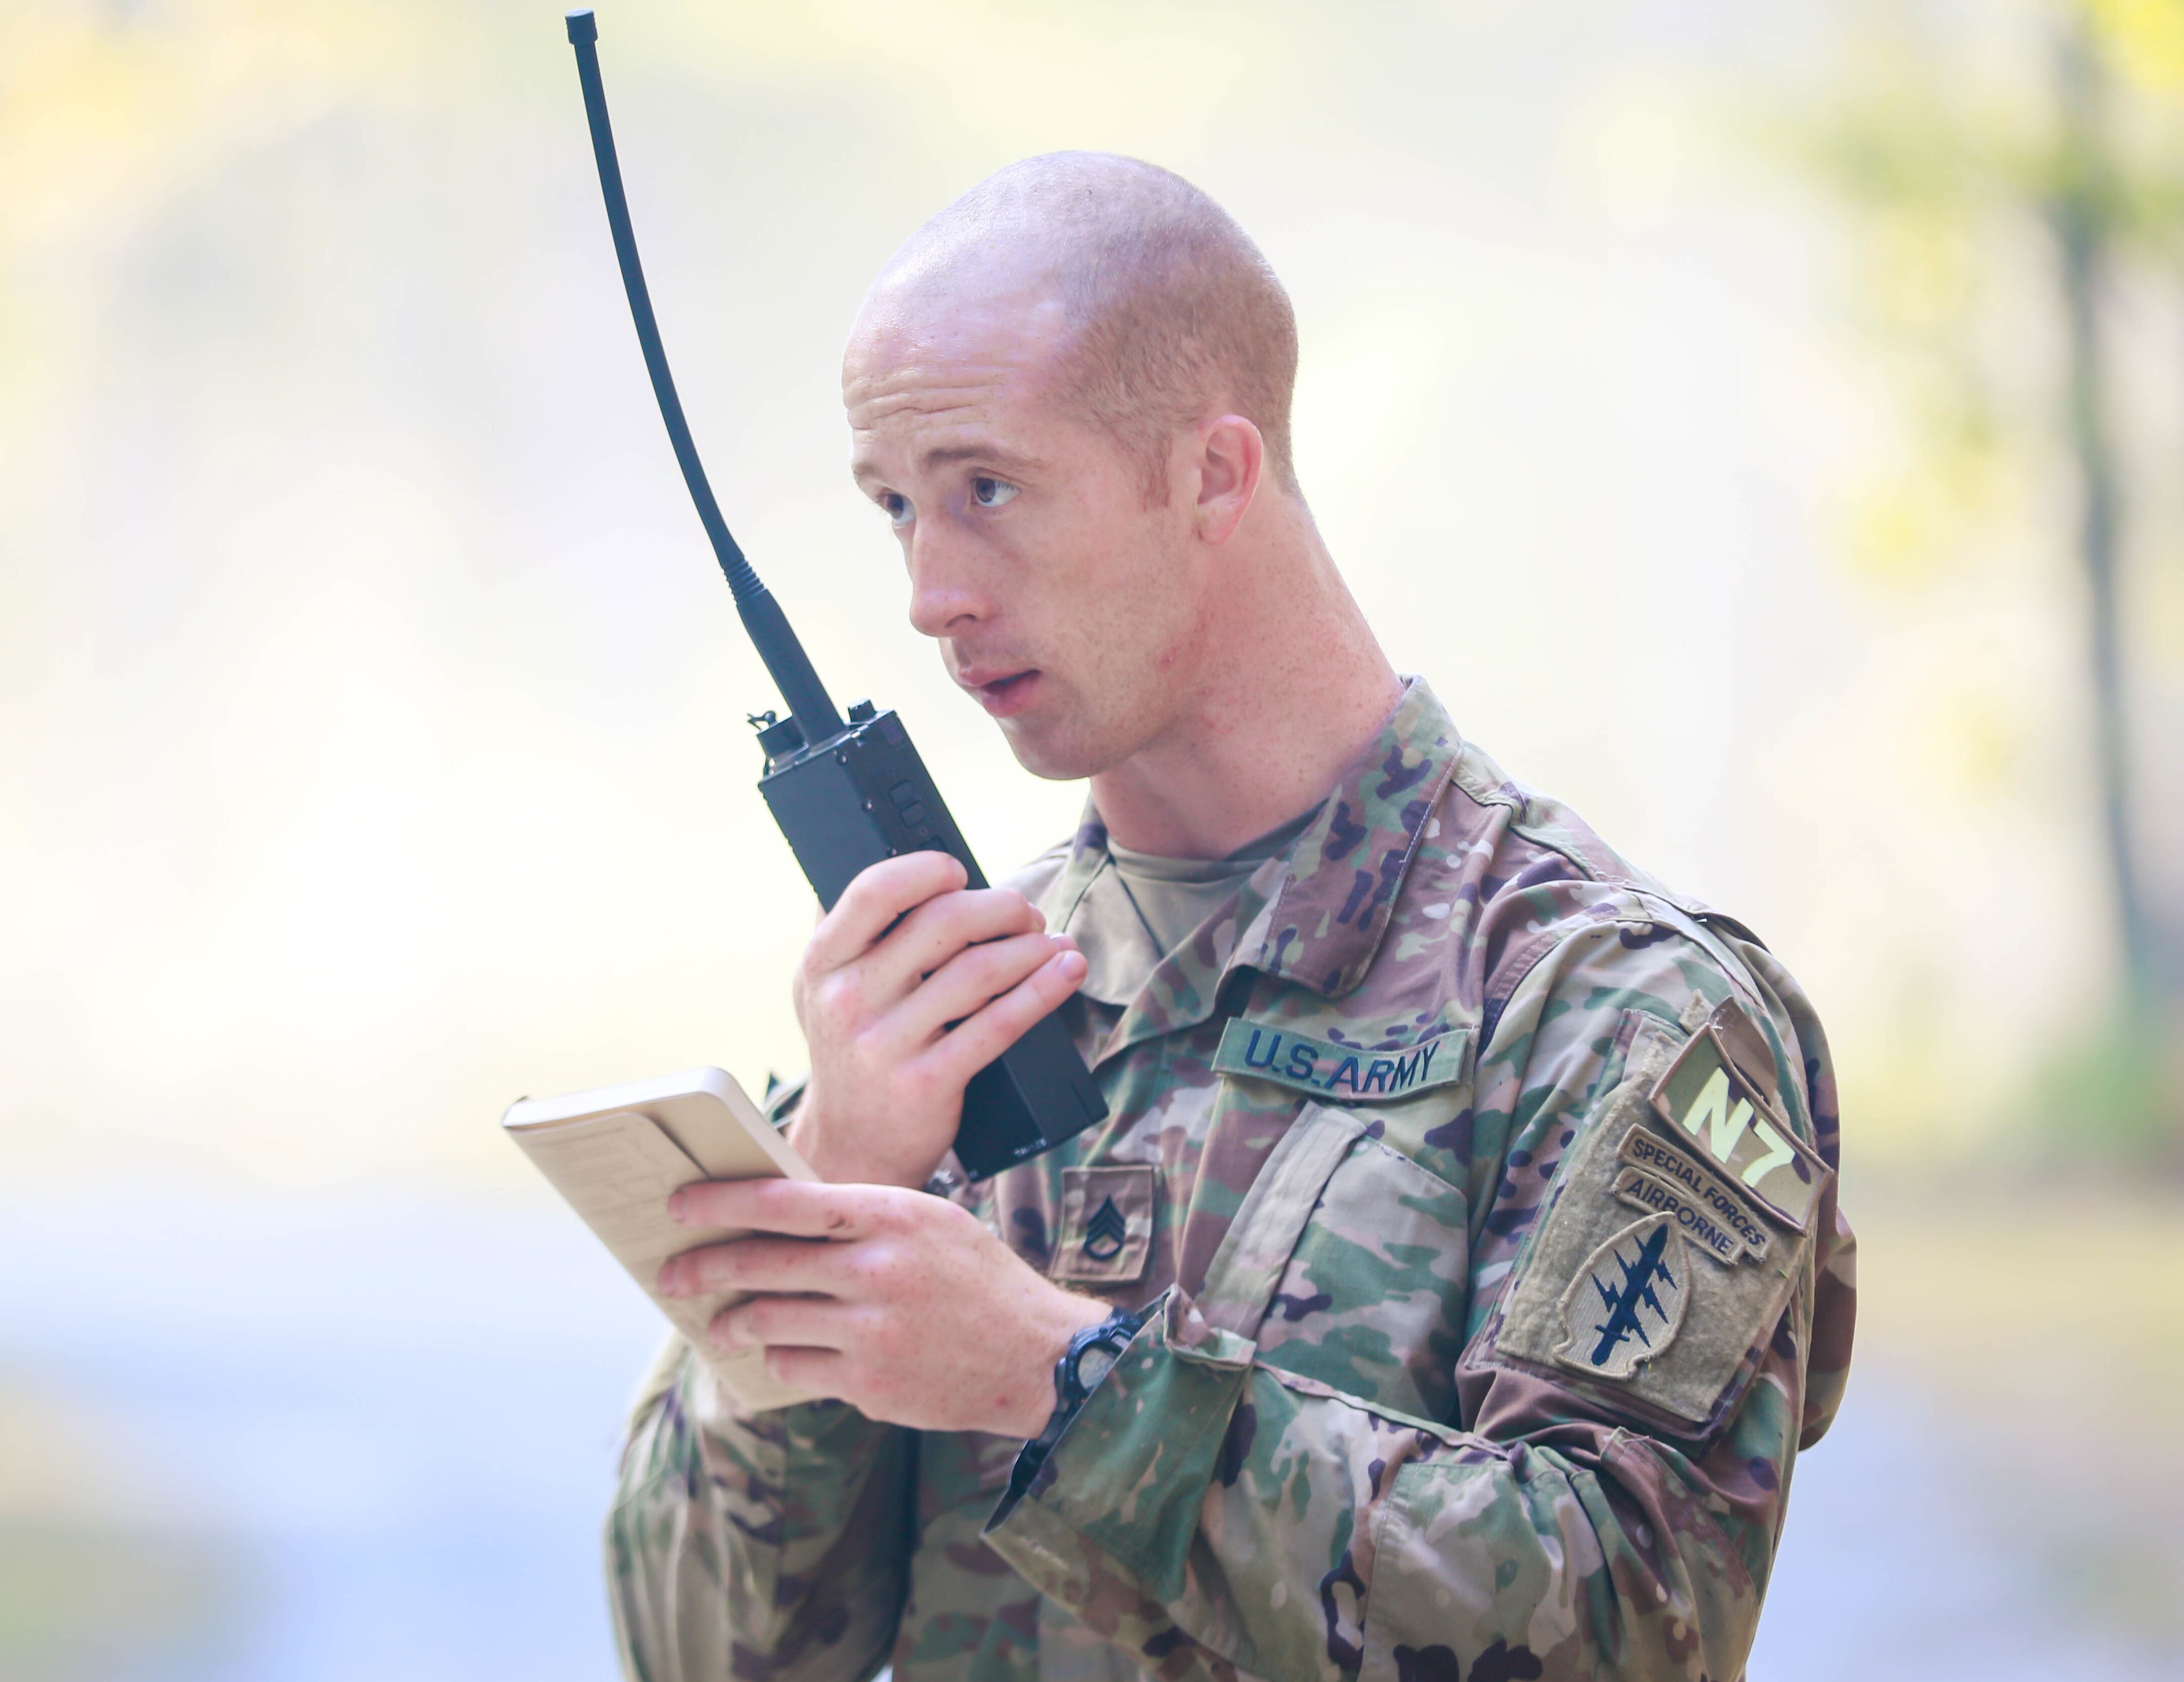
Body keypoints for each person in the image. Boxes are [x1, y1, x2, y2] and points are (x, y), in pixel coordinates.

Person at [605, 151, 1857, 1682]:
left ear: (1212, 473)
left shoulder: (1610, 1006)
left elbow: (1632, 1631)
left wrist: (1062, 1382)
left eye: (988, 488)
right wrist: (824, 1202)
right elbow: (693, 1655)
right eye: (895, 509)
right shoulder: (942, 1016)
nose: (931, 592)